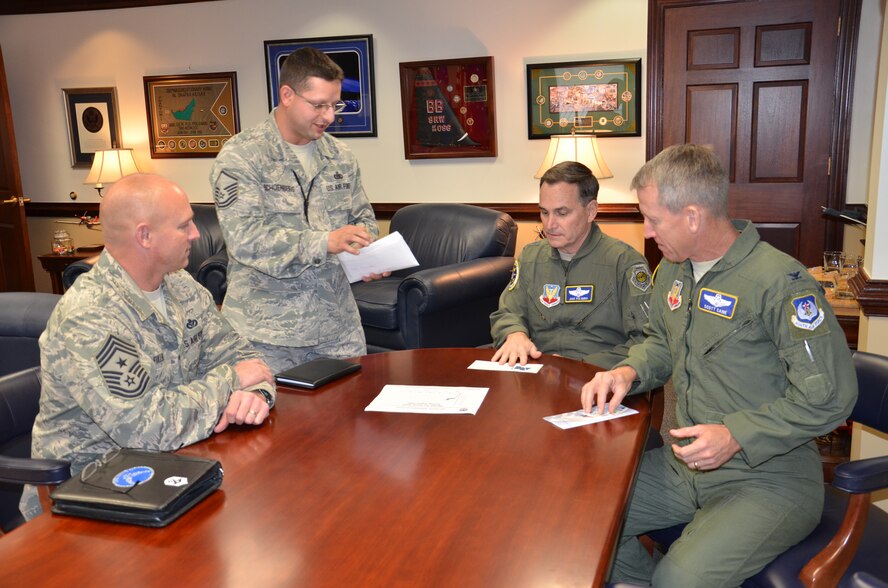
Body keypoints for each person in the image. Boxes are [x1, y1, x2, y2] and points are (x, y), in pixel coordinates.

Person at [580, 144, 857, 587]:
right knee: (580, 513)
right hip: (685, 464)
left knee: (679, 580)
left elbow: (831, 399)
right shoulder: (672, 270)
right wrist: (627, 371)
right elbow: (660, 344)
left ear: (692, 216)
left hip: (770, 478)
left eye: (653, 219)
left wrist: (736, 435)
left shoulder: (779, 284)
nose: (647, 232)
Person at [21, 173, 275, 520]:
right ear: (145, 236)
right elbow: (148, 429)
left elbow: (248, 360)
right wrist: (231, 382)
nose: (196, 234)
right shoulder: (90, 317)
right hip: (90, 497)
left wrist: (256, 396)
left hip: (176, 471)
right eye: (184, 226)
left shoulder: (180, 284)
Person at [210, 47, 383, 373]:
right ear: (287, 95)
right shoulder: (242, 157)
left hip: (337, 330)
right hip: (266, 337)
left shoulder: (340, 157)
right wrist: (325, 242)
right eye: (319, 105)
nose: (329, 116)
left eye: (334, 105)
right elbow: (245, 239)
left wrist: (365, 249)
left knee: (351, 418)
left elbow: (362, 218)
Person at [490, 161, 652, 368]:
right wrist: (514, 334)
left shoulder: (625, 263)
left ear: (591, 211)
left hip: (597, 376)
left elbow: (645, 340)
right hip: (536, 371)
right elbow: (507, 312)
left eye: (562, 213)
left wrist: (582, 366)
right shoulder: (530, 257)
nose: (550, 225)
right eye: (544, 212)